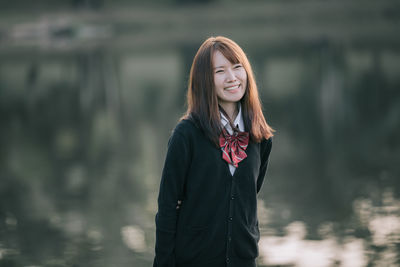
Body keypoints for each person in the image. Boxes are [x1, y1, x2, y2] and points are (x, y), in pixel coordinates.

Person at [153, 36, 274, 267]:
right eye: (220, 71)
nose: (232, 78)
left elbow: (248, 194)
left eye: (237, 67)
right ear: (205, 79)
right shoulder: (186, 135)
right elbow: (167, 209)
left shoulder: (260, 137)